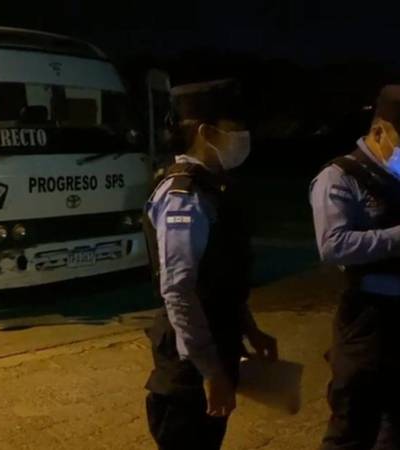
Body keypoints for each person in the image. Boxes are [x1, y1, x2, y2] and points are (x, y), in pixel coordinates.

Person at [143, 79, 278, 450]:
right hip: (187, 373)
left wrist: (249, 327)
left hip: (212, 352)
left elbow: (219, 278)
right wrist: (211, 371)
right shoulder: (183, 196)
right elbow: (179, 291)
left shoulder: (212, 188)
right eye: (235, 130)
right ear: (206, 132)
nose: (243, 138)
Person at [310, 85, 400, 450]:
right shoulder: (339, 176)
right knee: (353, 425)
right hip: (368, 322)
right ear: (379, 130)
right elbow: (333, 246)